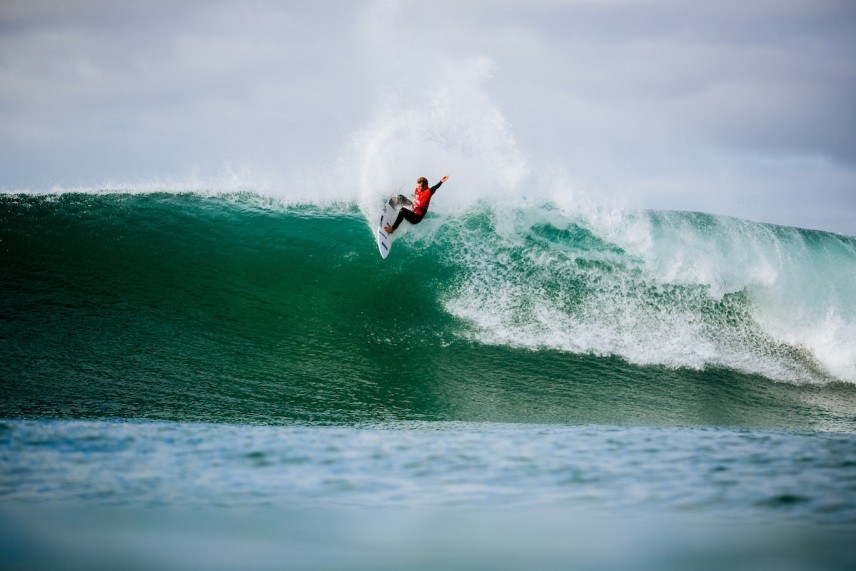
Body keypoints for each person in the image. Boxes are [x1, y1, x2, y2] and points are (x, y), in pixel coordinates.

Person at [383, 175, 449, 234]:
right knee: (400, 197)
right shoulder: (417, 189)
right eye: (418, 186)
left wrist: (441, 181)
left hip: (416, 218)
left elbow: (434, 187)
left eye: (420, 187)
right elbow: (415, 196)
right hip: (413, 208)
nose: (418, 188)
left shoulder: (428, 192)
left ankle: (392, 229)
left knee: (402, 210)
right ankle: (391, 209)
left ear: (425, 186)